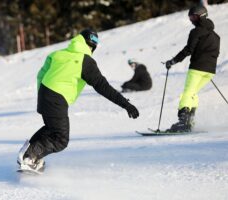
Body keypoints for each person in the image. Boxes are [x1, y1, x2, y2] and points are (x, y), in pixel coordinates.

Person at [17, 29, 140, 173]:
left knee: (51, 129)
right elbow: (102, 86)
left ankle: (28, 154)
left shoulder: (58, 54)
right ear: (93, 46)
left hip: (45, 94)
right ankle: (30, 157)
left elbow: (41, 75)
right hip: (58, 98)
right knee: (61, 139)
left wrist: (42, 96)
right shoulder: (85, 61)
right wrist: (125, 104)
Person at [165, 5, 220, 132]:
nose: (191, 20)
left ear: (201, 16)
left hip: (197, 68)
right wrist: (207, 66)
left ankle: (183, 122)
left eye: (193, 17)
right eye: (190, 17)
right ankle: (190, 121)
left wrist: (173, 61)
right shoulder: (216, 36)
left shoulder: (196, 32)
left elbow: (188, 50)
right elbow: (215, 53)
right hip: (209, 71)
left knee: (187, 92)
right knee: (193, 93)